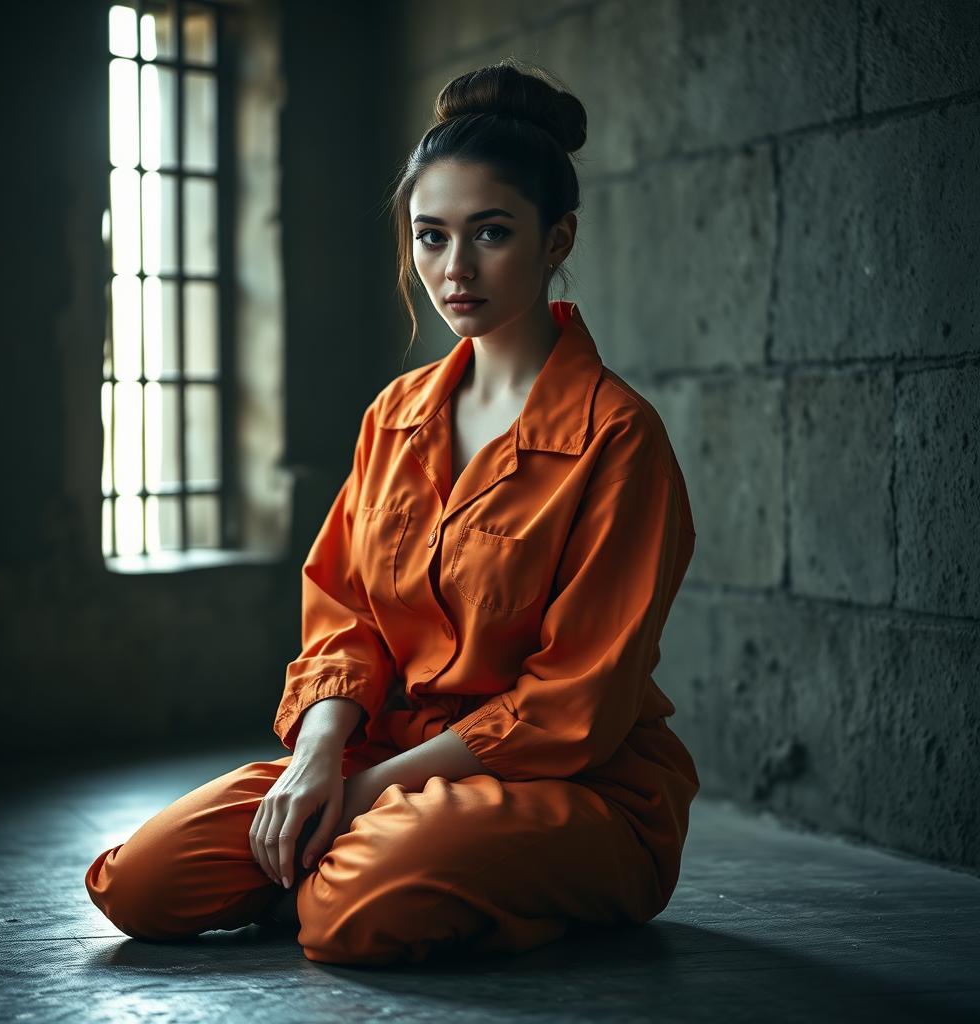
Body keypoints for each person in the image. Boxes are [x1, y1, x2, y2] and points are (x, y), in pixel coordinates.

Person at [84, 57, 700, 967]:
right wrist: (317, 760)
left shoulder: (618, 438)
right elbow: (346, 612)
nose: (456, 270)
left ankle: (478, 876)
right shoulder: (397, 414)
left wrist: (366, 789)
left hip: (570, 784)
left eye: (491, 234)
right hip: (380, 753)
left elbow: (573, 702)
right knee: (141, 883)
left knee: (352, 910)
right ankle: (376, 857)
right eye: (431, 236)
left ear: (557, 238)